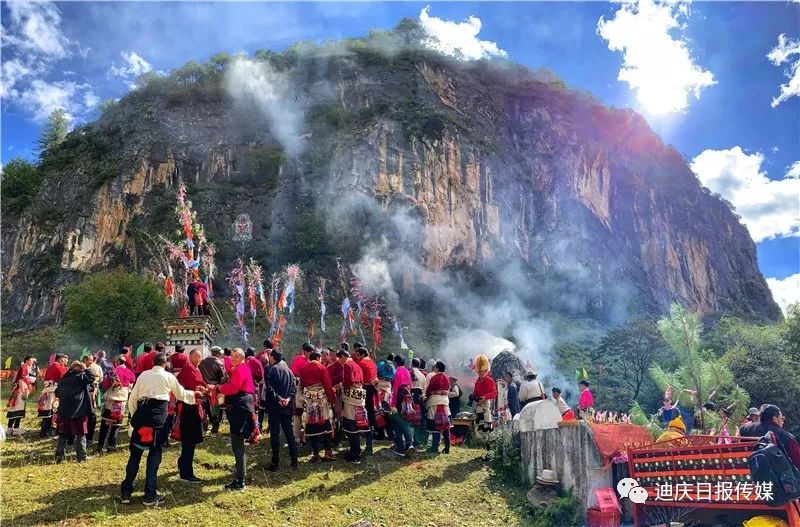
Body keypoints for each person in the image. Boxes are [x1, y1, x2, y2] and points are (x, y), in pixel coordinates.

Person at [121, 353, 199, 506]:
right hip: (158, 421)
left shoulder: (143, 375)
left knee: (135, 455)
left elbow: (133, 398)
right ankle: (150, 495)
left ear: (153, 363)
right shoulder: (168, 377)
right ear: (165, 364)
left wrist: (134, 417)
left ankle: (126, 492)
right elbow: (181, 394)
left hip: (142, 417)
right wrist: (195, 395)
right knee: (154, 456)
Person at [217, 348, 257, 490]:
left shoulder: (241, 369)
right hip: (241, 407)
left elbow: (233, 388)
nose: (233, 359)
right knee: (238, 445)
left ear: (242, 358)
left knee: (237, 445)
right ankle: (240, 477)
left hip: (240, 409)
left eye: (236, 356)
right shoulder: (241, 368)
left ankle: (240, 481)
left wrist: (219, 388)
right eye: (232, 356)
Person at [175, 349, 207, 483]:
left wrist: (206, 387)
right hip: (189, 405)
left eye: (200, 357)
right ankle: (186, 473)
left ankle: (183, 465)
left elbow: (200, 384)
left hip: (194, 404)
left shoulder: (195, 368)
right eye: (196, 356)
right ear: (190, 356)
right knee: (189, 440)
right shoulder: (188, 368)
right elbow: (194, 384)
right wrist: (203, 389)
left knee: (190, 440)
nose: (199, 359)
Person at [54, 361, 96, 463]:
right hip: (78, 412)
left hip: (64, 411)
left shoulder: (63, 380)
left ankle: (58, 457)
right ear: (80, 370)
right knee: (81, 434)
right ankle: (82, 457)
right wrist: (85, 367)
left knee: (62, 434)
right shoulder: (80, 378)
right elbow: (92, 376)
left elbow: (57, 393)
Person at [300, 350, 337, 463]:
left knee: (311, 427)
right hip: (321, 401)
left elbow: (302, 386)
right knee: (325, 426)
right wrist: (332, 399)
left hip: (310, 401)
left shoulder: (304, 369)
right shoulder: (322, 368)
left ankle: (316, 454)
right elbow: (327, 384)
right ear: (318, 357)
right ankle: (328, 452)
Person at [265, 349, 299, 471]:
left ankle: (275, 462)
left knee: (275, 434)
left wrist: (279, 399)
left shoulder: (272, 369)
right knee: (289, 433)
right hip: (287, 407)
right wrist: (288, 399)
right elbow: (294, 388)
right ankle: (294, 460)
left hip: (275, 407)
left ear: (273, 357)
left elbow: (270, 388)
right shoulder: (289, 371)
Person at [97, 356, 135, 453]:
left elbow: (105, 384)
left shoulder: (112, 371)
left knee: (105, 425)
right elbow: (132, 383)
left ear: (117, 362)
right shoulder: (129, 372)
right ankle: (111, 445)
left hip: (110, 401)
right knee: (116, 425)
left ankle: (100, 445)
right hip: (121, 401)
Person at [339, 349, 369, 463]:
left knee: (351, 424)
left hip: (351, 397)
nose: (340, 362)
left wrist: (342, 386)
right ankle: (356, 450)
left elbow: (349, 380)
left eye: (339, 359)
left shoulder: (347, 364)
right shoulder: (356, 364)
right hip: (359, 395)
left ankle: (355, 454)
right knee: (357, 423)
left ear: (342, 357)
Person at [353, 347, 380, 455]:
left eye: (358, 356)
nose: (357, 358)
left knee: (361, 416)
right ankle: (369, 446)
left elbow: (357, 378)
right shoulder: (372, 363)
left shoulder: (361, 363)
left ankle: (360, 446)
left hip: (364, 391)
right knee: (370, 418)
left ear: (362, 354)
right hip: (373, 391)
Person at [759, 405, 800, 469]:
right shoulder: (786, 437)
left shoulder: (745, 429)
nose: (783, 422)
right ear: (775, 418)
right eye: (782, 418)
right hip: (778, 476)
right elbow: (798, 461)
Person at [389, 354, 414, 457]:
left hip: (399, 401)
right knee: (405, 421)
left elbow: (395, 390)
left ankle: (402, 446)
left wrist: (392, 404)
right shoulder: (407, 371)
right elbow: (410, 386)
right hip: (407, 400)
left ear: (395, 362)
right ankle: (408, 444)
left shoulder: (397, 373)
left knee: (397, 423)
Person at [425, 361, 451, 455]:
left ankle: (434, 447)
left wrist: (427, 397)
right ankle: (447, 446)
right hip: (445, 402)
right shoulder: (447, 378)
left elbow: (429, 390)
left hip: (435, 402)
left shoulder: (434, 377)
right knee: (445, 425)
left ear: (437, 368)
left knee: (435, 426)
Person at [6, 356, 36, 438]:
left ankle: (10, 428)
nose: (32, 362)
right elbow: (20, 380)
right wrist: (23, 392)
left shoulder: (26, 368)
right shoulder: (24, 367)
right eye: (31, 360)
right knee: (18, 409)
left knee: (15, 409)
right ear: (26, 361)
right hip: (20, 391)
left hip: (19, 390)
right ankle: (15, 429)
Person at [39, 354, 68, 438]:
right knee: (53, 411)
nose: (67, 361)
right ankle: (48, 432)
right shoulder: (59, 367)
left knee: (48, 411)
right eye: (66, 359)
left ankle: (44, 431)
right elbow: (64, 379)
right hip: (54, 392)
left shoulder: (50, 367)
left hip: (47, 391)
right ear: (61, 359)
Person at [471, 355, 497, 444]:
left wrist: (485, 397)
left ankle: (487, 443)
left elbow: (494, 393)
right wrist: (473, 396)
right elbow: (475, 392)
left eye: (483, 371)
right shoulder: (477, 381)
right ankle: (481, 442)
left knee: (486, 423)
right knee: (479, 423)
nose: (481, 373)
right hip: (478, 406)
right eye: (479, 372)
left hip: (486, 405)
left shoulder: (490, 380)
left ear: (486, 370)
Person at [199, 346, 225, 434]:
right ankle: (215, 426)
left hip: (204, 388)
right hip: (215, 389)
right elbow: (223, 377)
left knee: (205, 407)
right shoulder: (219, 362)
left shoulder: (202, 362)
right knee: (217, 407)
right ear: (218, 353)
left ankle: (204, 426)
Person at [290, 343, 312, 444]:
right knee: (298, 414)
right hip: (300, 388)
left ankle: (305, 436)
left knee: (306, 413)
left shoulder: (298, 359)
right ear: (305, 352)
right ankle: (298, 438)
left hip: (304, 388)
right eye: (309, 352)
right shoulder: (301, 360)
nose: (310, 354)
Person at [83, 353, 104, 447]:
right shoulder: (80, 368)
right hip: (81, 394)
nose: (91, 362)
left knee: (92, 414)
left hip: (92, 392)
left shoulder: (96, 367)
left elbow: (101, 378)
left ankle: (89, 438)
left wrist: (96, 380)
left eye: (92, 360)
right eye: (89, 360)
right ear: (85, 360)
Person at [410, 358, 428, 449]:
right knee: (417, 421)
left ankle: (408, 440)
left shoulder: (409, 372)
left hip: (409, 397)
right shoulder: (423, 376)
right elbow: (424, 391)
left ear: (411, 364)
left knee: (407, 419)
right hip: (419, 398)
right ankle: (416, 441)